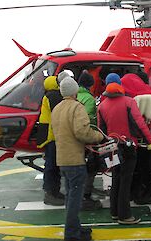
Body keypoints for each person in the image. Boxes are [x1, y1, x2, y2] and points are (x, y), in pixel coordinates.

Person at [98, 73, 151, 225]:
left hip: (112, 147)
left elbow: (101, 130)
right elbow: (139, 124)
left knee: (116, 178)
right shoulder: (129, 102)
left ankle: (114, 211)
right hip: (128, 147)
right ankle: (125, 215)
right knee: (126, 181)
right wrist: (150, 141)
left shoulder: (102, 105)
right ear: (119, 84)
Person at [51, 77, 104, 241]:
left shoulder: (57, 109)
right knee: (75, 199)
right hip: (75, 160)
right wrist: (99, 136)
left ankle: (75, 228)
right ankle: (72, 235)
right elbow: (82, 132)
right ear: (75, 91)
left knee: (70, 197)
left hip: (63, 159)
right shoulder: (77, 107)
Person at [121, 73, 151, 204]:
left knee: (132, 168)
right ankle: (146, 193)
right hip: (146, 137)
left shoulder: (124, 95)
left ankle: (132, 191)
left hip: (128, 139)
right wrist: (150, 139)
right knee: (146, 167)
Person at [37, 75, 66, 206]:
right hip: (53, 135)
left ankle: (54, 191)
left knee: (52, 164)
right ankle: (50, 193)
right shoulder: (54, 96)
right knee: (52, 165)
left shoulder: (48, 95)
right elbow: (60, 113)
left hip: (49, 135)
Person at [77, 70, 102, 210]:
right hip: (87, 138)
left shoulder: (74, 95)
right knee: (91, 167)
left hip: (74, 139)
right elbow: (91, 120)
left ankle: (80, 194)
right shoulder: (89, 99)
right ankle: (85, 196)